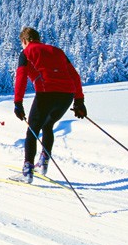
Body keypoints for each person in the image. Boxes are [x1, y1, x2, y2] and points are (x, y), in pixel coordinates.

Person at [11, 27, 87, 183]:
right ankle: (44, 162)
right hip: (67, 95)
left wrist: (18, 102)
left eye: (22, 43)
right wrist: (79, 101)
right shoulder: (57, 51)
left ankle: (28, 171)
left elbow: (21, 78)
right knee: (48, 125)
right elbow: (74, 75)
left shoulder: (26, 53)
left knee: (32, 131)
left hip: (46, 94)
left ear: (25, 41)